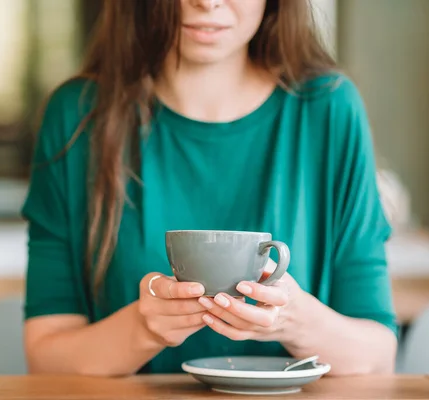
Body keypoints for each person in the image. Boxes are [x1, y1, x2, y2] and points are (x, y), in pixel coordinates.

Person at [21, 0, 398, 377]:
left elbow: (378, 357)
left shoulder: (330, 109)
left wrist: (294, 322)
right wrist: (143, 327)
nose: (208, 2)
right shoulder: (76, 116)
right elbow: (46, 357)